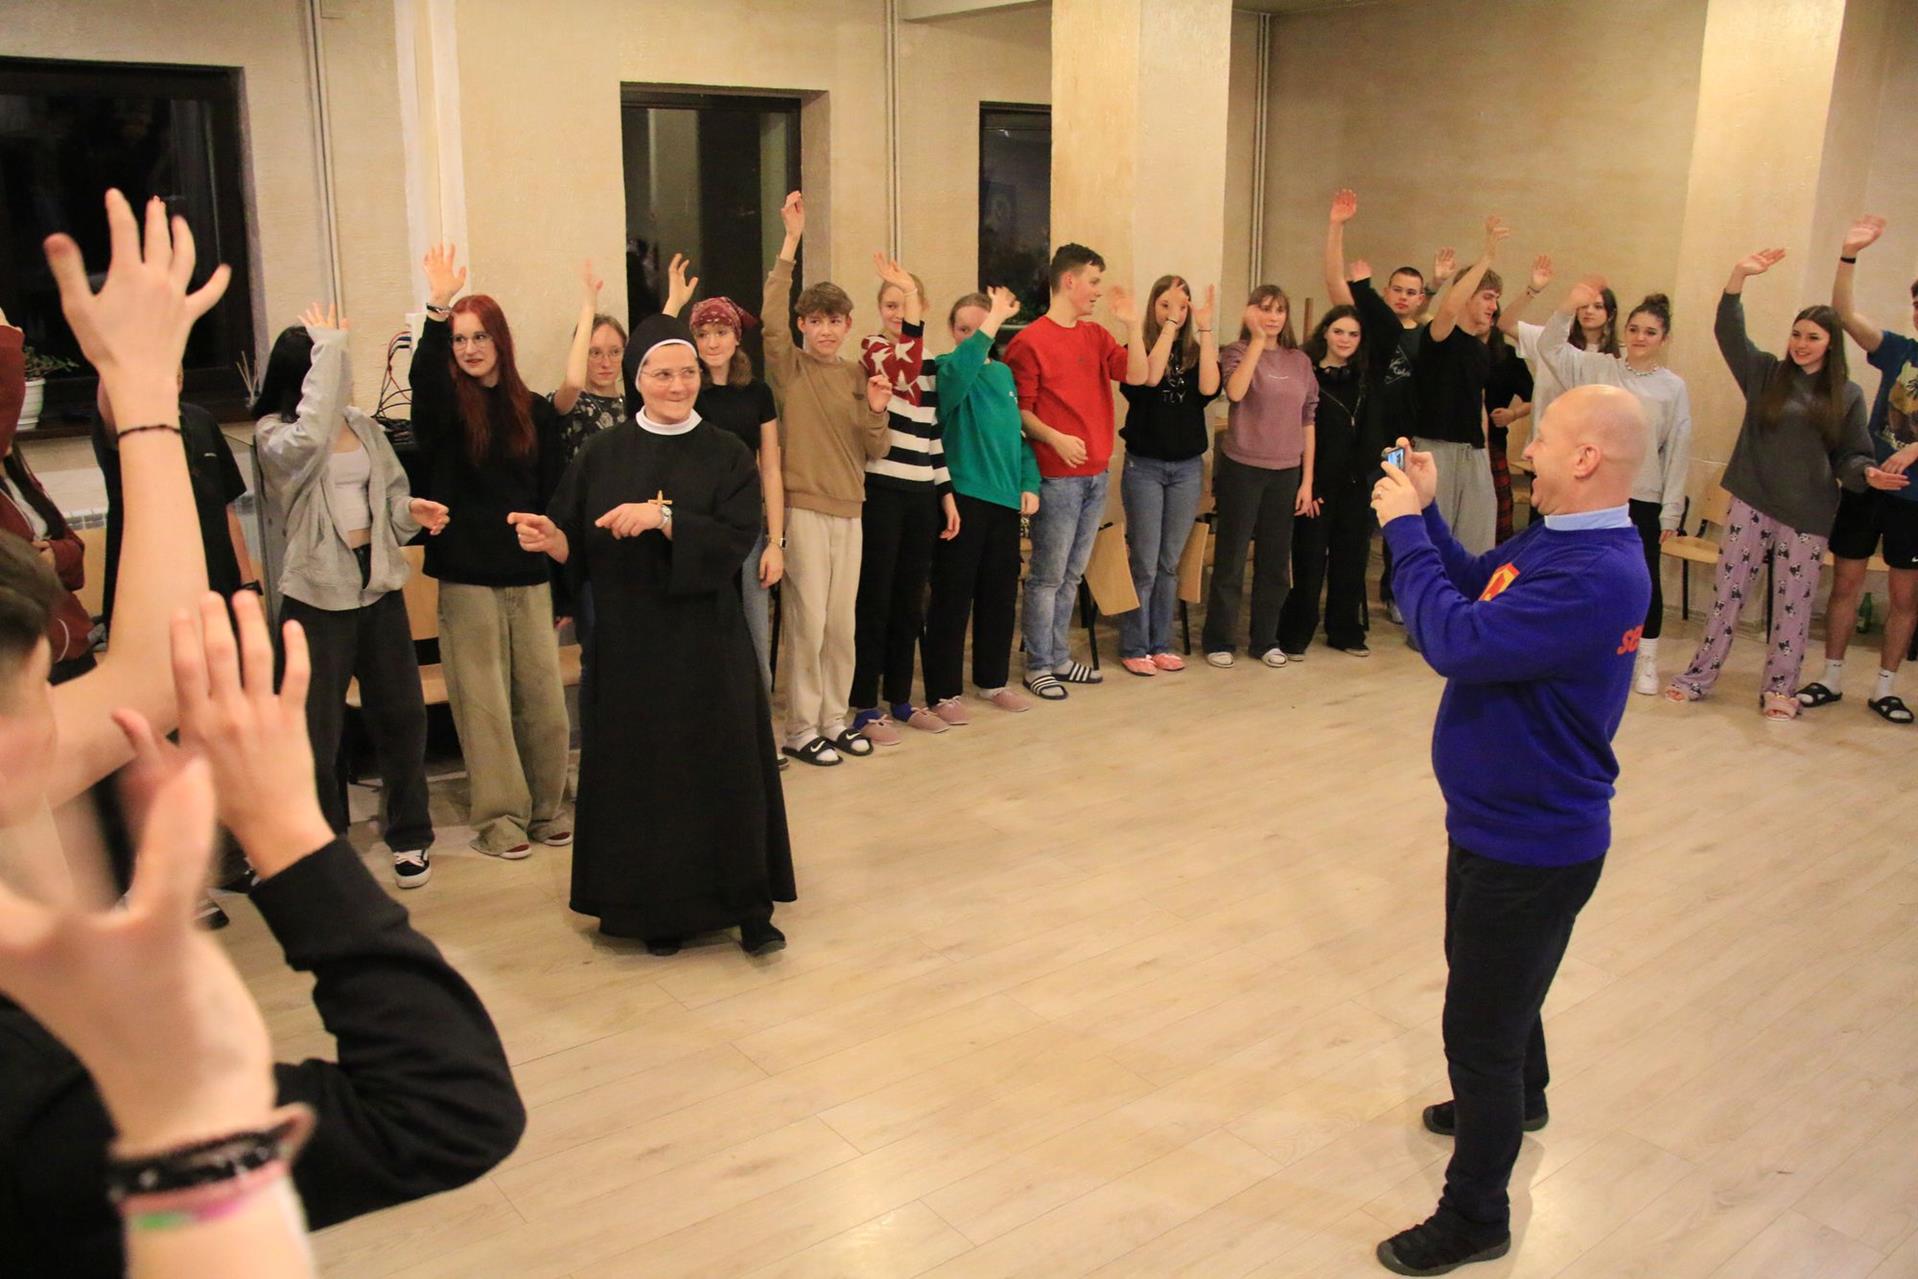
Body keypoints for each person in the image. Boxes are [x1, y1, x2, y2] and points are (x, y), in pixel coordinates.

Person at [0, 193, 522, 1276]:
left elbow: (147, 669)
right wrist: (283, 829)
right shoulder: (51, 1116)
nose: (51, 723)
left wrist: (146, 392)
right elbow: (444, 1106)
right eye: (27, 693)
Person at [1367, 387, 1652, 1276]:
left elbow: (1456, 639)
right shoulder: (1560, 541)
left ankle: (1475, 1215)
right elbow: (1477, 586)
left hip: (1533, 843)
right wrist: (1427, 510)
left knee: (1477, 1032)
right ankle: (1522, 1095)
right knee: (1491, 980)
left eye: (1544, 439)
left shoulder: (1596, 572)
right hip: (1499, 822)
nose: (1526, 450)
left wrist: (1402, 530)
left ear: (1586, 458)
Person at [510, 315, 794, 955]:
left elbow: (737, 537)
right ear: (637, 379)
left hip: (708, 641)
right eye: (662, 373)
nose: (677, 385)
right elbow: (575, 539)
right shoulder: (602, 453)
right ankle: (657, 911)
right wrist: (551, 541)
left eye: (687, 372)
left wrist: (665, 518)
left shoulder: (725, 451)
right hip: (633, 645)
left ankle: (747, 905)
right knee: (649, 779)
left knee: (728, 770)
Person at [253, 303, 448, 887]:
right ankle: (323, 843)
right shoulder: (277, 436)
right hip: (316, 594)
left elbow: (389, 494)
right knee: (316, 732)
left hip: (376, 584)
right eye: (330, 367)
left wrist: (410, 511)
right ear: (308, 375)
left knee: (404, 717)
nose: (344, 378)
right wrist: (329, 347)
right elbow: (311, 435)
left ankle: (410, 836)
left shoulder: (361, 425)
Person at [1666, 249, 1885, 718]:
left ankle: (1781, 690)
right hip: (1751, 499)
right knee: (1727, 596)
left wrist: (1867, 473)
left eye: (1813, 337)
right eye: (1796, 334)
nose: (1801, 344)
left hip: (1808, 514)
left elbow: (1852, 454)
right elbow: (1729, 333)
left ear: (1831, 345)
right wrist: (1738, 277)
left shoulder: (1847, 395)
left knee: (1793, 606)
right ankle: (1698, 676)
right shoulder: (1765, 373)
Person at [408, 243, 572, 851]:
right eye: (459, 339)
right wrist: (437, 307)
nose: (469, 348)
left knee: (543, 704)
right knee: (484, 708)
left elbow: (553, 499)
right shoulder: (446, 410)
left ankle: (546, 808)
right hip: (468, 577)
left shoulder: (534, 411)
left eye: (479, 336)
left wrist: (560, 581)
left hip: (528, 576)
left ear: (500, 340)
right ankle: (501, 819)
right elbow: (424, 383)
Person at [761, 193, 893, 766]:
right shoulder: (789, 368)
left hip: (851, 512)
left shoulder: (858, 374)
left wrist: (878, 409)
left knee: (842, 626)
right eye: (814, 321)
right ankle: (801, 727)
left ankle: (834, 719)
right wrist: (791, 243)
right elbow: (769, 319)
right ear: (803, 324)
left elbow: (876, 447)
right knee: (808, 623)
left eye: (834, 321)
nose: (824, 330)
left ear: (847, 325)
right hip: (804, 511)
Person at [1533, 274, 1694, 695]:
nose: (1640, 337)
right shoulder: (1600, 367)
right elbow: (1550, 348)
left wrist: (1671, 510)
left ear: (1664, 338)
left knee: (1643, 577)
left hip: (1643, 496)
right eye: (1634, 329)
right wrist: (1567, 305)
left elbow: (1677, 448)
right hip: (1594, 492)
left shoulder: (1672, 388)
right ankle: (1578, 647)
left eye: (1650, 332)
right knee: (1582, 571)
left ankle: (1647, 658)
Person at [1005, 243, 1148, 699]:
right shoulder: (1030, 342)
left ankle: (1059, 656)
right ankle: (1038, 665)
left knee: (1071, 574)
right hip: (1057, 476)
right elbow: (1020, 412)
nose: (1098, 292)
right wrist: (1055, 437)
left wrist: (1133, 326)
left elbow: (1139, 375)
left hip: (1095, 473)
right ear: (1069, 281)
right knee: (1048, 575)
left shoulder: (1096, 336)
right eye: (1093, 282)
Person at [1796, 215, 1918, 725]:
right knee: (1845, 583)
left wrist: (1915, 449)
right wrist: (1848, 254)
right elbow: (1843, 315)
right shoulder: (1900, 351)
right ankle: (1831, 677)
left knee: (1904, 596)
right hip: (1867, 487)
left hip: (1913, 501)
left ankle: (1886, 687)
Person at [852, 254, 960, 742]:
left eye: (907, 303)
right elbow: (905, 368)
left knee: (910, 600)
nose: (897, 312)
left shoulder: (930, 362)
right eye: (891, 304)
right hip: (882, 491)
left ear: (922, 307)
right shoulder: (874, 348)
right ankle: (863, 703)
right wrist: (908, 299)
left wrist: (946, 494)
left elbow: (932, 433)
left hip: (920, 493)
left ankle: (899, 697)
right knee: (874, 598)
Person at [1322, 189, 1443, 623]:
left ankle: (1396, 594)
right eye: (1397, 289)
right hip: (1361, 441)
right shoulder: (1366, 328)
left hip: (1399, 442)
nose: (1404, 297)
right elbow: (1335, 283)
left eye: (1413, 292)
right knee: (1353, 525)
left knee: (1400, 520)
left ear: (1421, 297)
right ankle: (1342, 608)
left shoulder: (1425, 335)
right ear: (1387, 291)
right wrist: (1336, 227)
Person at [923, 287, 1040, 718]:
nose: (973, 336)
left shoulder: (1004, 375)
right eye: (964, 328)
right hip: (962, 500)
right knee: (952, 598)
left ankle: (993, 681)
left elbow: (1017, 438)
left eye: (981, 327)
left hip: (1003, 503)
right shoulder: (945, 367)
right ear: (952, 331)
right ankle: (943, 692)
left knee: (999, 596)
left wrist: (1029, 482)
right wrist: (990, 325)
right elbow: (959, 375)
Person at [1204, 284, 1318, 667]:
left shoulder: (1299, 361)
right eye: (1265, 308)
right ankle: (1220, 640)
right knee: (1232, 557)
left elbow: (1308, 419)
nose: (1273, 316)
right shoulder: (1236, 351)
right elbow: (1235, 393)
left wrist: (1307, 480)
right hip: (1243, 467)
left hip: (1286, 470)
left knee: (1274, 561)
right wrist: (1256, 340)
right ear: (1250, 312)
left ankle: (1265, 640)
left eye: (1279, 310)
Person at [92, 370, 258, 627]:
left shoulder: (201, 419)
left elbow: (227, 510)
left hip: (217, 586)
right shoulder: (129, 425)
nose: (174, 369)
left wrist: (248, 586)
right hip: (153, 596)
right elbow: (110, 406)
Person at [1116, 275, 1220, 676]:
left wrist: (1205, 329)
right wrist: (1170, 327)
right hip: (1145, 465)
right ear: (1153, 308)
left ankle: (1161, 643)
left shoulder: (1196, 350)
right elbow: (1151, 377)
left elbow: (1209, 388)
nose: (1174, 312)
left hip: (1187, 467)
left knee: (1169, 562)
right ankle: (1134, 645)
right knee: (1144, 561)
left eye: (1181, 305)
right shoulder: (1137, 348)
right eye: (1165, 305)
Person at [687, 294, 784, 704]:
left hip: (747, 528)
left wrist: (775, 542)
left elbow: (771, 469)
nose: (712, 342)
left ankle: (756, 724)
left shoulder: (758, 393)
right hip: (699, 526)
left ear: (737, 337)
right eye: (703, 334)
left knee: (753, 633)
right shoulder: (687, 391)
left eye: (721, 332)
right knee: (702, 633)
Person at [1, 317, 94, 683]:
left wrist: (55, 555)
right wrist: (7, 337)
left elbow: (75, 551)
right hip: (24, 657)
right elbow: (8, 393)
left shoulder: (19, 478)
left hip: (72, 645)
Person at [1279, 304, 1374, 658]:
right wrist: (1310, 485)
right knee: (1309, 562)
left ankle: (1344, 631)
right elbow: (1299, 430)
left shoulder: (1365, 379)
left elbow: (1372, 432)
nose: (1345, 339)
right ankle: (1296, 633)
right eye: (1338, 332)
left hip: (1354, 485)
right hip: (1315, 486)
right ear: (1325, 333)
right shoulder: (1307, 374)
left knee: (1351, 560)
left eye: (1353, 334)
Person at [1414, 215, 1512, 557]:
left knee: (1476, 540)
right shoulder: (1440, 335)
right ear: (1469, 295)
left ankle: (1469, 591)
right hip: (1436, 448)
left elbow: (1478, 402)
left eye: (1496, 299)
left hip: (1473, 452)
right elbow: (1448, 306)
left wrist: (1483, 451)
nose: (1493, 306)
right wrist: (1487, 256)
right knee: (1434, 539)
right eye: (1487, 296)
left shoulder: (1481, 349)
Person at [1496, 253, 1619, 444]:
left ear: (1610, 315)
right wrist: (1532, 290)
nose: (1589, 311)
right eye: (1583, 306)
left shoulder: (1615, 359)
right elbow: (1504, 324)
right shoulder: (1550, 341)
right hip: (1543, 443)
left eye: (1598, 307)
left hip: (1587, 446)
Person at [1482, 313, 1534, 544]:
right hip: (1457, 439)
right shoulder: (1456, 349)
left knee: (1499, 504)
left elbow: (1533, 398)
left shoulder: (1508, 356)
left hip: (1493, 439)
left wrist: (1512, 414)